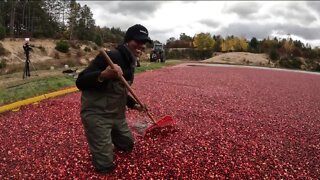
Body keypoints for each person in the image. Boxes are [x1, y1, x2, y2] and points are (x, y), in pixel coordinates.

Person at [76, 24, 152, 174]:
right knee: (105, 166)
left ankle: (109, 135)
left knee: (127, 146)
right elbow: (80, 81)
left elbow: (120, 91)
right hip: (97, 115)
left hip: (117, 115)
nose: (141, 46)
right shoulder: (112, 56)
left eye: (144, 43)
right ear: (128, 41)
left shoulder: (131, 63)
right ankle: (101, 136)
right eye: (138, 41)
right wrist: (103, 75)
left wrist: (135, 105)